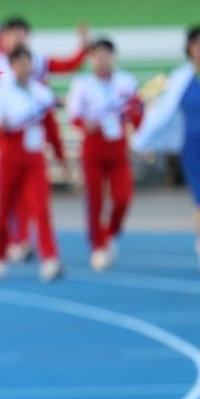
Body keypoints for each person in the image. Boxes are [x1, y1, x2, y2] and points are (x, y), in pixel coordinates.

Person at [135, 25, 200, 276]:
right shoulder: (181, 79)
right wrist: (140, 142)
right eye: (197, 45)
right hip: (194, 147)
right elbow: (160, 114)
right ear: (190, 50)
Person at [0, 46, 62, 282]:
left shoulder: (41, 92)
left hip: (35, 156)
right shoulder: (2, 93)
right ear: (11, 65)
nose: (23, 67)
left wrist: (60, 155)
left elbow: (51, 126)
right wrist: (3, 130)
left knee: (41, 207)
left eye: (27, 62)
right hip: (10, 155)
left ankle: (49, 257)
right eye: (18, 62)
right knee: (5, 206)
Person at [66, 39, 142, 271]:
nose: (102, 59)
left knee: (123, 197)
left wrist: (136, 119)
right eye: (97, 55)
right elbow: (74, 114)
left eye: (106, 54)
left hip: (118, 146)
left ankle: (109, 233)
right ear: (90, 59)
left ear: (113, 56)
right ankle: (97, 245)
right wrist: (84, 123)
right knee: (95, 199)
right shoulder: (82, 83)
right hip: (93, 146)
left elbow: (137, 113)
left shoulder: (126, 82)